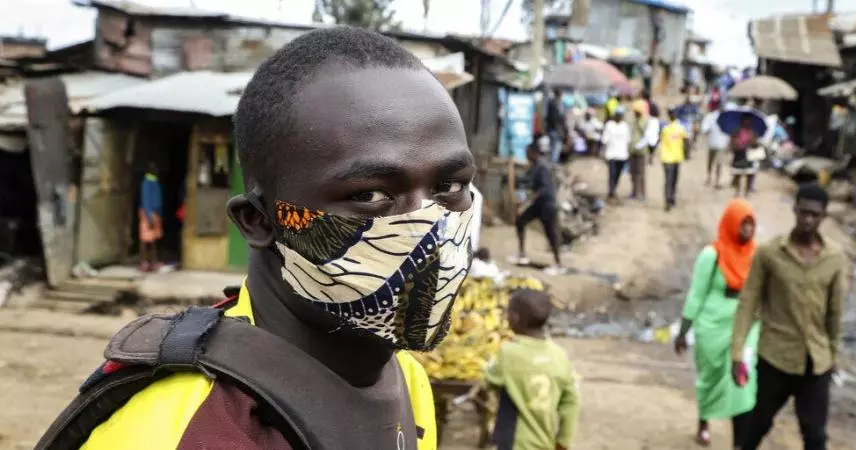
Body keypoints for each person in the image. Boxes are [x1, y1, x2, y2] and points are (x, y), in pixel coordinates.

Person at [37, 27, 481, 450]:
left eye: (450, 186)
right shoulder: (196, 431)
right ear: (258, 221)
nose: (432, 227)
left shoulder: (402, 376)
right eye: (369, 195)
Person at [733, 184, 847, 450]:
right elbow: (748, 302)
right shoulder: (770, 253)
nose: (808, 220)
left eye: (815, 215)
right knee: (759, 423)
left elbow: (834, 311)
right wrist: (737, 352)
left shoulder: (834, 258)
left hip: (815, 362)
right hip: (776, 358)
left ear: (823, 217)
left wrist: (832, 355)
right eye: (803, 212)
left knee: (815, 436)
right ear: (794, 210)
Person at [674, 199, 760, 448]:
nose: (748, 230)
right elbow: (696, 295)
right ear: (731, 224)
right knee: (710, 377)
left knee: (743, 379)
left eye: (751, 224)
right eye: (743, 224)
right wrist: (683, 332)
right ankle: (704, 421)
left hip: (745, 325)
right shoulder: (712, 254)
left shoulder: (756, 255)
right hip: (712, 324)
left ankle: (739, 442)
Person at [485, 289, 580, 450]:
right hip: (546, 442)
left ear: (515, 317)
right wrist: (563, 441)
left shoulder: (508, 353)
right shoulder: (559, 355)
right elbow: (571, 402)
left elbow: (490, 379)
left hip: (514, 443)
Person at [512, 143, 562, 274]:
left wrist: (529, 199)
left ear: (534, 153)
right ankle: (521, 254)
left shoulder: (543, 167)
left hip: (547, 204)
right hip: (538, 204)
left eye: (528, 153)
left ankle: (558, 264)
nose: (526, 156)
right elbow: (527, 180)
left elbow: (544, 188)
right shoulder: (534, 166)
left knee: (551, 233)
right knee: (520, 221)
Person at [659, 107, 688, 211]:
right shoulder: (665, 128)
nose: (672, 115)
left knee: (674, 180)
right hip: (667, 158)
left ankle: (672, 198)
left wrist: (686, 153)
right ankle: (668, 199)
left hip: (677, 157)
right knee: (669, 180)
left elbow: (686, 141)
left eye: (673, 113)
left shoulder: (680, 128)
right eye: (670, 113)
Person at [629, 103, 659, 201]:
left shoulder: (645, 121)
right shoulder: (633, 121)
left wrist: (639, 145)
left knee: (641, 174)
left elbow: (647, 136)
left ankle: (642, 193)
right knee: (633, 173)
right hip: (632, 150)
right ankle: (634, 192)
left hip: (641, 151)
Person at [602, 108, 631, 201]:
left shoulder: (625, 126)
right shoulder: (609, 125)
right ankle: (611, 192)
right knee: (612, 174)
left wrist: (628, 153)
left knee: (618, 174)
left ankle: (614, 189)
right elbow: (605, 139)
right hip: (611, 154)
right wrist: (603, 152)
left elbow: (628, 141)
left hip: (622, 155)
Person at [139, 162, 163, 272]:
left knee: (153, 240)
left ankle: (153, 261)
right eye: (154, 168)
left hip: (155, 213)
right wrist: (149, 217)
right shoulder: (147, 182)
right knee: (145, 239)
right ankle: (144, 262)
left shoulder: (154, 181)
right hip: (148, 213)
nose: (157, 170)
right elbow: (146, 200)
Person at [729, 113, 760, 198]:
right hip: (738, 155)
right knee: (737, 174)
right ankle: (737, 191)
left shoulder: (753, 132)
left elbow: (756, 143)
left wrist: (752, 142)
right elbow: (732, 141)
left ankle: (747, 191)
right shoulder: (736, 130)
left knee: (749, 174)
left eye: (748, 120)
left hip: (749, 156)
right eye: (745, 119)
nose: (747, 121)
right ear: (742, 120)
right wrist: (736, 144)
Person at [701, 103, 730, 188]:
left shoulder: (726, 118)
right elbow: (704, 129)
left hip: (721, 144)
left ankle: (717, 180)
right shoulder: (710, 116)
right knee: (711, 162)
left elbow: (729, 131)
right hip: (712, 143)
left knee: (719, 163)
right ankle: (709, 177)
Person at [546, 90, 567, 163]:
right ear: (561, 94)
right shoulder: (559, 103)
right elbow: (561, 117)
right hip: (557, 130)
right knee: (556, 147)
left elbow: (547, 117)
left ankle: (551, 163)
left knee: (552, 147)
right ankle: (553, 164)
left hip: (551, 129)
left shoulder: (550, 103)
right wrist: (565, 129)